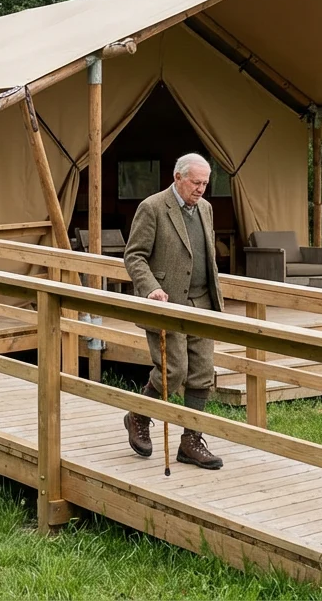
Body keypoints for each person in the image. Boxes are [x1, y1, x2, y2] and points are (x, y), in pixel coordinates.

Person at [121, 153, 224, 470]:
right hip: (167, 302)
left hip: (202, 302)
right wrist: (150, 287)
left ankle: (191, 442)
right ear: (178, 177)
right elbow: (134, 255)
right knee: (173, 371)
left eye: (205, 183)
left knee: (203, 373)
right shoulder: (152, 207)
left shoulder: (205, 209)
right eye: (196, 183)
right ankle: (139, 415)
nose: (201, 189)